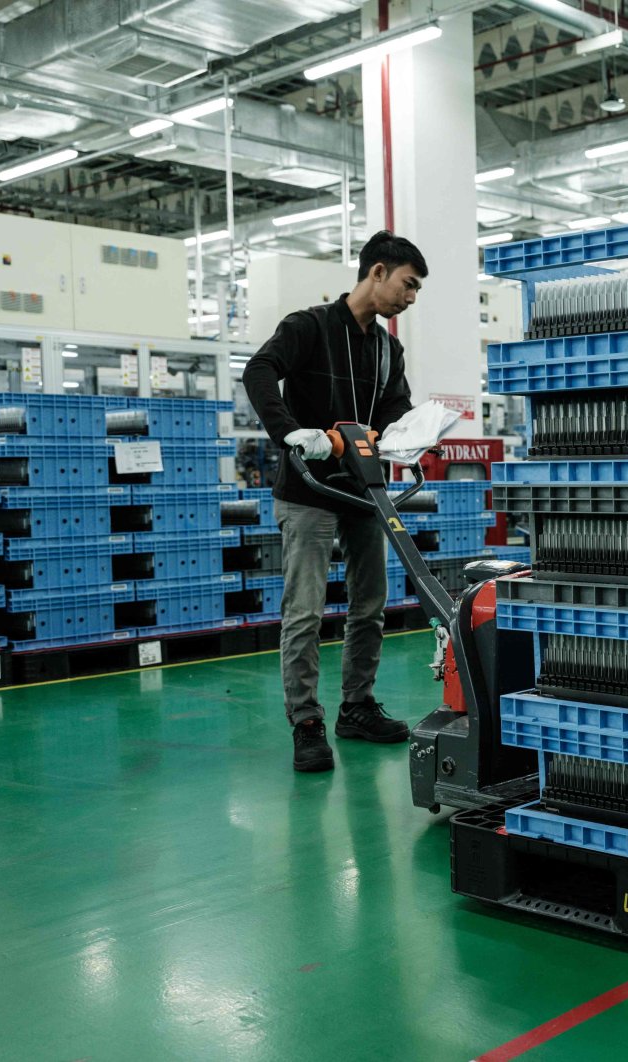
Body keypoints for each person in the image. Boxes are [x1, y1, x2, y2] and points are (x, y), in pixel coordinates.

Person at [243, 230, 426, 772]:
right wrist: (291, 432)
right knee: (304, 610)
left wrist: (417, 432)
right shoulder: (309, 327)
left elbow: (396, 409)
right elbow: (258, 372)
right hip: (308, 491)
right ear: (377, 272)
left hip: (365, 491)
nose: (410, 298)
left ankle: (357, 708)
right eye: (408, 285)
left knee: (369, 606)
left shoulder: (387, 348)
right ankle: (306, 722)